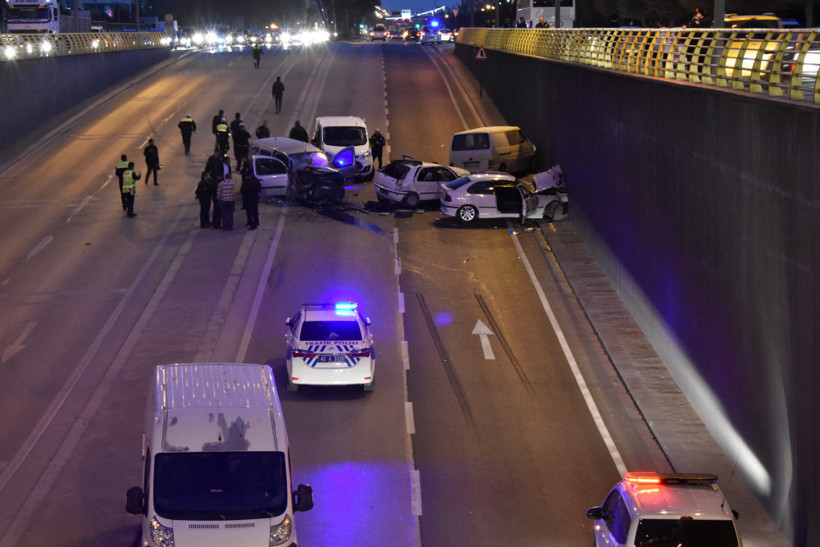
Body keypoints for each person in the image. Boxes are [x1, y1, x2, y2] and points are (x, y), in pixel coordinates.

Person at [240, 159, 261, 230]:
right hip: (255, 198)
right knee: (255, 211)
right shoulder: (256, 180)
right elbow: (259, 189)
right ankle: (256, 222)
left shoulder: (246, 183)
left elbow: (242, 190)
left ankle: (252, 224)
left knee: (249, 212)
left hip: (248, 199)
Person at [205, 153, 224, 228]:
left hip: (215, 197)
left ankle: (215, 223)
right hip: (217, 199)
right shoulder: (218, 183)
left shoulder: (212, 182)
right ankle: (217, 224)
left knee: (215, 209)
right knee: (217, 210)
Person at [217, 163, 236, 231]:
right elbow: (235, 191)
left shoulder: (221, 184)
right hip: (231, 201)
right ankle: (230, 226)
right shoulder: (233, 183)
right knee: (230, 214)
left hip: (223, 201)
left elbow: (218, 194)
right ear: (230, 177)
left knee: (224, 215)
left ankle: (224, 226)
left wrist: (218, 200)